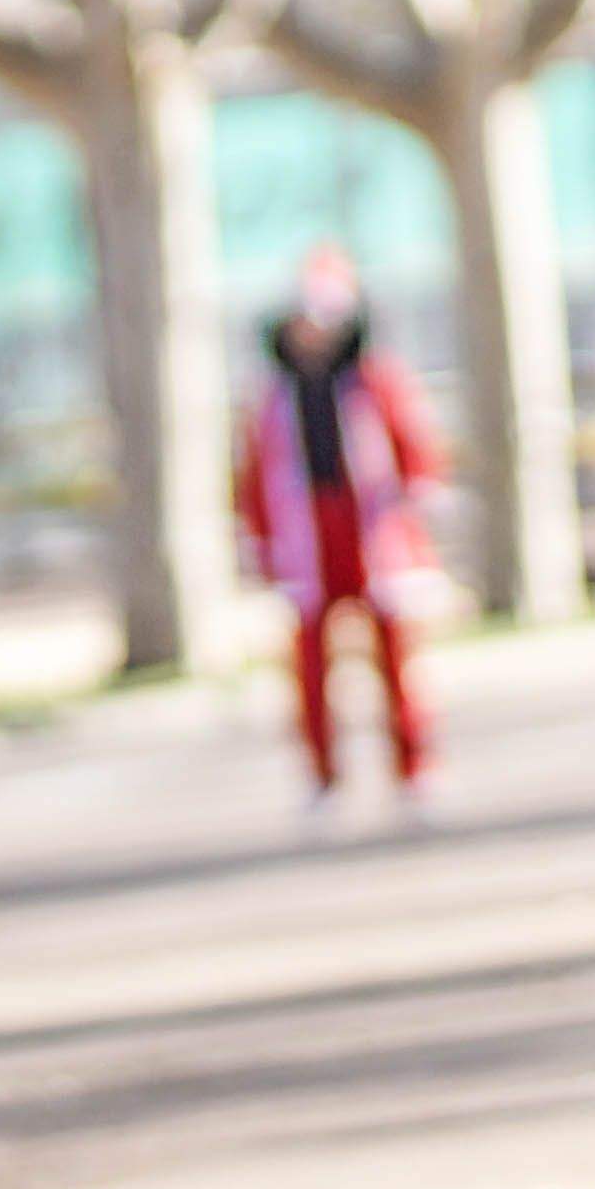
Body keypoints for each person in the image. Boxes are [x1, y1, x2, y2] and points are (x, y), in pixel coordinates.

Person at [238, 262, 446, 812]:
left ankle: (414, 767)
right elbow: (256, 474)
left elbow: (413, 449)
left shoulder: (375, 382)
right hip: (305, 535)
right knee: (309, 663)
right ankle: (323, 775)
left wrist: (416, 509)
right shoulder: (272, 397)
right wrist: (260, 541)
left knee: (396, 656)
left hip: (370, 528)